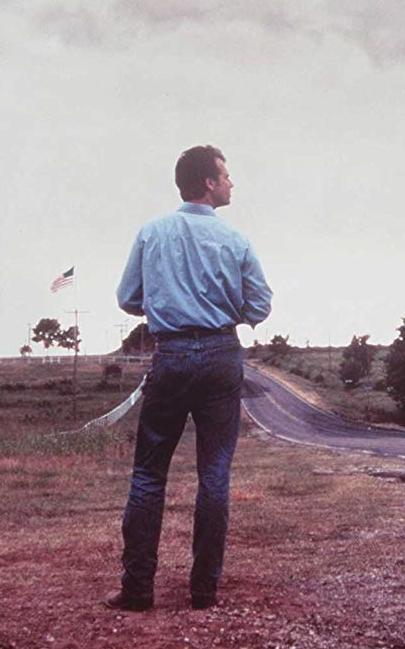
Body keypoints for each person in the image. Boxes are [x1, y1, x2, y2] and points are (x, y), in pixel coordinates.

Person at [105, 145, 273, 612]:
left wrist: (168, 302)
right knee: (214, 474)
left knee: (148, 474)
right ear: (207, 183)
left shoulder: (152, 233)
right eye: (225, 176)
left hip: (171, 353)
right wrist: (222, 310)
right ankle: (204, 591)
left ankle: (137, 589)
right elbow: (259, 306)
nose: (231, 183)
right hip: (221, 354)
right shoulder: (235, 241)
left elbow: (127, 297)